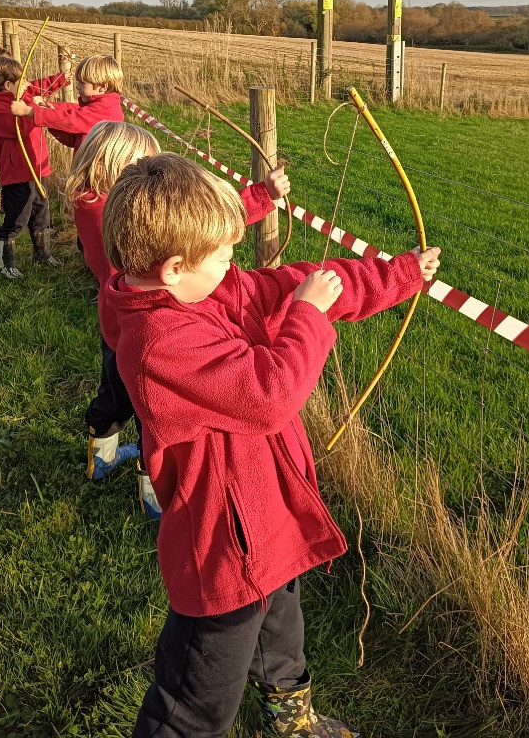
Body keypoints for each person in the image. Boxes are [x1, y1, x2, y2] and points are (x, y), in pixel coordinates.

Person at [100, 152, 441, 737]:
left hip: (266, 521)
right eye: (225, 254)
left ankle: (294, 723)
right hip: (223, 549)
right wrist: (307, 315)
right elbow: (270, 393)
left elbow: (296, 283)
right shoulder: (160, 341)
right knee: (196, 697)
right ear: (176, 267)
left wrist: (399, 275)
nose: (236, 265)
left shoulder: (202, 292)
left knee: (281, 633)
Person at [69, 123, 292, 520]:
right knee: (151, 420)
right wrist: (260, 196)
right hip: (144, 337)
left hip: (116, 328)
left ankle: (100, 458)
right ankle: (155, 497)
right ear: (114, 169)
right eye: (141, 165)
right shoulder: (125, 222)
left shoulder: (93, 204)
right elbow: (192, 230)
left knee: (113, 397)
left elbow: (193, 226)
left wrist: (262, 195)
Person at [0, 55, 69, 279]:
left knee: (41, 211)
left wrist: (61, 78)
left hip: (37, 168)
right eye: (21, 81)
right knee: (16, 217)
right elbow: (18, 129)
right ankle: (5, 264)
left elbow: (38, 88)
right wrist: (32, 108)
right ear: (8, 85)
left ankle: (42, 255)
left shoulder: (20, 97)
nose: (27, 83)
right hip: (18, 173)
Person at [11, 54, 123, 152]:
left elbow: (71, 119)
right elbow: (74, 140)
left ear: (103, 87)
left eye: (82, 83)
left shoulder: (105, 110)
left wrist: (30, 111)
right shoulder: (99, 106)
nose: (77, 86)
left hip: (97, 175)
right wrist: (51, 120)